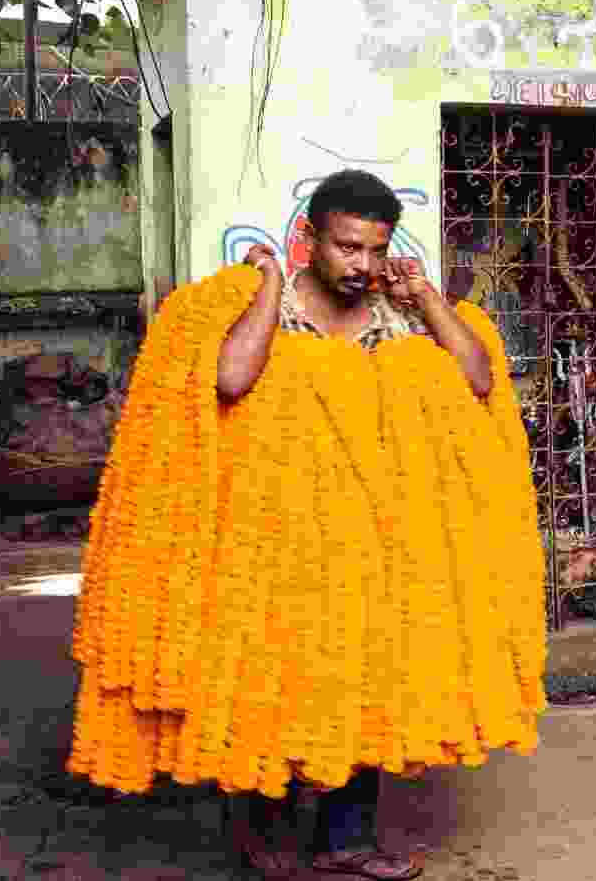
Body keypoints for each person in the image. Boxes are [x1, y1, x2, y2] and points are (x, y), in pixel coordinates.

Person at [218, 169, 490, 880]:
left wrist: (427, 297)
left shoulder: (395, 317)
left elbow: (478, 378)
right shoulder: (269, 310)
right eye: (346, 247)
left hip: (375, 537)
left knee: (366, 677)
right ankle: (266, 826)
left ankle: (345, 837)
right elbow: (230, 378)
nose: (362, 264)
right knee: (277, 677)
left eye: (374, 248)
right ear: (311, 239)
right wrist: (271, 282)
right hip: (277, 534)